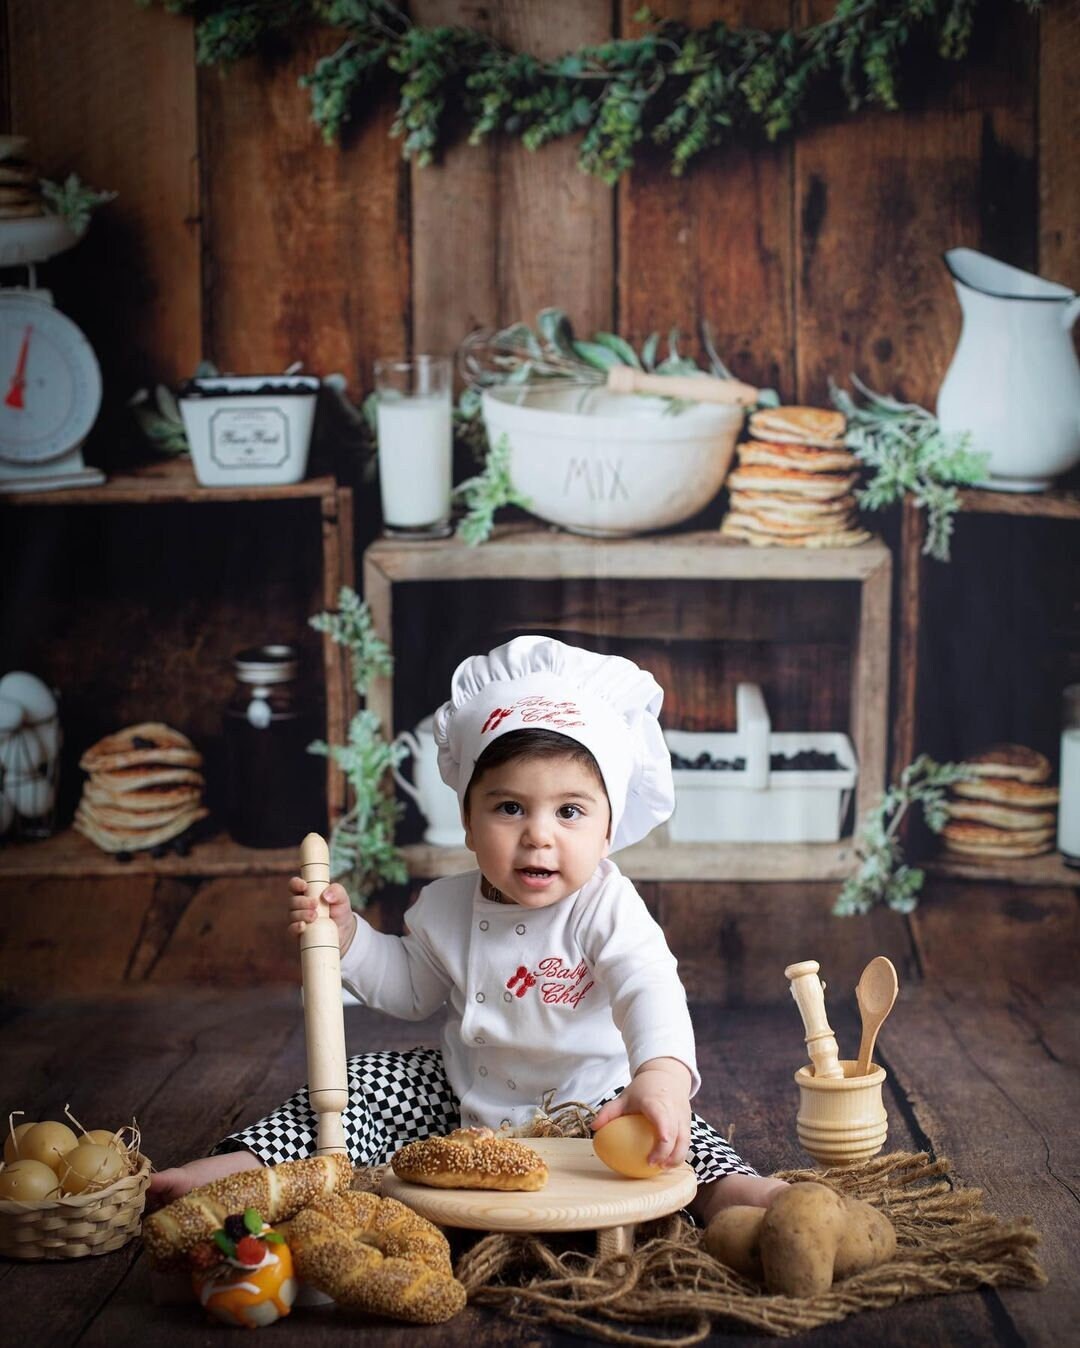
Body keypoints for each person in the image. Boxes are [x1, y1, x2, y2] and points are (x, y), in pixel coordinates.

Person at [150, 636, 787, 1224]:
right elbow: (410, 987)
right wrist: (348, 940)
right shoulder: (444, 906)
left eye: (570, 811)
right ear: (467, 819)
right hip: (467, 1102)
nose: (539, 834)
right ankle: (235, 1170)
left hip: (593, 1102)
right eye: (510, 807)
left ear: (608, 828)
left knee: (676, 1135)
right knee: (365, 1082)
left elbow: (649, 989)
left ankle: (739, 1194)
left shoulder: (605, 907)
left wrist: (662, 1077)